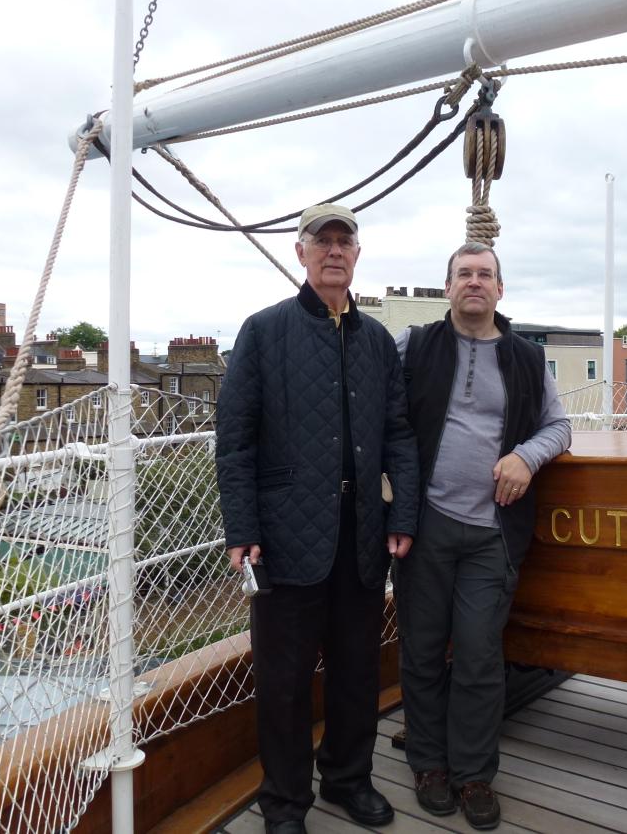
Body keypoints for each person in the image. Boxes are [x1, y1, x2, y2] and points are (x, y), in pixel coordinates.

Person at [216, 203, 419, 834]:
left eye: (345, 242)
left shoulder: (378, 341)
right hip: (283, 537)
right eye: (321, 241)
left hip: (360, 537)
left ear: (357, 255)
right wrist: (242, 530)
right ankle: (284, 803)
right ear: (300, 254)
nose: (334, 251)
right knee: (284, 681)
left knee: (358, 671)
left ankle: (347, 780)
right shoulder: (263, 331)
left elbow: (399, 435)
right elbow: (235, 439)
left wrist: (402, 513)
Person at [394, 241, 571, 830]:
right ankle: (428, 763)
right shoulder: (413, 348)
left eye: (485, 274)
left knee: (477, 655)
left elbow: (560, 425)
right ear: (448, 288)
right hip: (425, 526)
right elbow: (372, 412)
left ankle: (473, 773)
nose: (474, 281)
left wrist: (527, 455)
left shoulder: (525, 358)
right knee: (421, 650)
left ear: (500, 289)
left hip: (493, 531)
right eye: (463, 274)